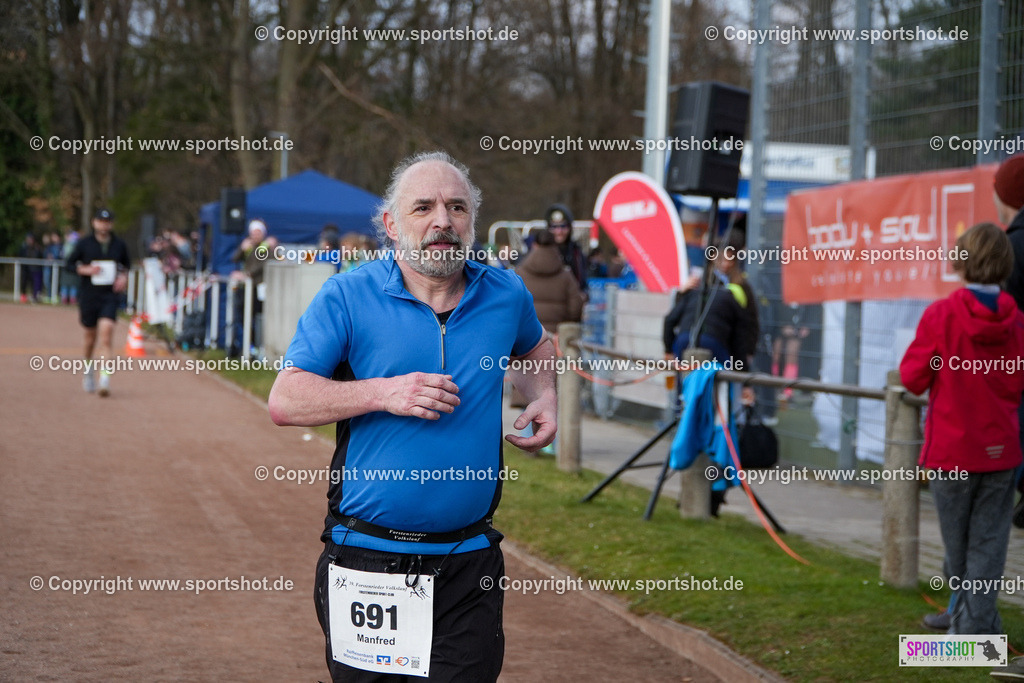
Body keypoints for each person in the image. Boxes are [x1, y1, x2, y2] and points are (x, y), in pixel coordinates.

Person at [267, 151, 557, 682]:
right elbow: (287, 400)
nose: (442, 220)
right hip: (367, 560)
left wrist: (544, 395)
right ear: (391, 224)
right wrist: (384, 392)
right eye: (423, 207)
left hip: (469, 561)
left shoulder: (505, 293)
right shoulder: (347, 296)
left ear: (473, 220)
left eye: (457, 207)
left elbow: (537, 347)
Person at [900, 223, 1024, 644]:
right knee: (987, 543)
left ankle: (971, 632)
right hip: (1001, 450)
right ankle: (977, 624)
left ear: (959, 262)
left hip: (952, 452)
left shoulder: (941, 315)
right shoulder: (1017, 321)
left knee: (959, 546)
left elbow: (913, 377)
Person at [514, 228, 584, 451]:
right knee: (551, 391)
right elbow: (576, 307)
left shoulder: (521, 272)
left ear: (534, 244)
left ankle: (526, 435)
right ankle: (550, 443)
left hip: (525, 341)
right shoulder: (565, 275)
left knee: (526, 387)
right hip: (555, 342)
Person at [65, 208, 131, 396]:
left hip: (109, 296)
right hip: (89, 296)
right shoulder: (84, 244)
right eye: (101, 221)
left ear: (111, 224)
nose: (104, 225)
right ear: (94, 223)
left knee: (107, 334)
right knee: (90, 338)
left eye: (107, 222)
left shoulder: (119, 245)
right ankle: (88, 371)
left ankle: (105, 379)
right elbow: (68, 264)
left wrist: (123, 278)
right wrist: (85, 270)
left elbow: (127, 265)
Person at [544, 204, 588, 292]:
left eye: (563, 226)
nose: (559, 232)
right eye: (554, 227)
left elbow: (582, 282)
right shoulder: (541, 250)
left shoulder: (576, 252)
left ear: (570, 228)